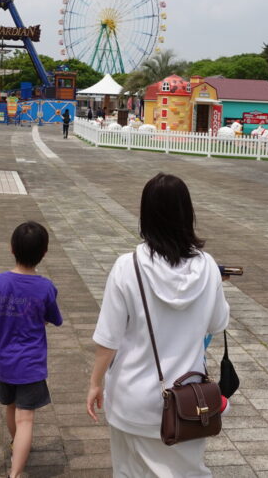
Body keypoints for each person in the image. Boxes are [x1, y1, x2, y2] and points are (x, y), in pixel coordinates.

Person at [87, 173, 229, 477]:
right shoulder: (208, 268)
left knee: (129, 472)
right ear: (187, 214)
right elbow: (218, 323)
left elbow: (108, 340)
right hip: (190, 404)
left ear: (146, 216)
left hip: (131, 400)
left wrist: (95, 383)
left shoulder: (127, 266)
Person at [0, 222, 63, 478]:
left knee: (10, 406)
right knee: (25, 418)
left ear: (11, 248)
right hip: (30, 364)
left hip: (4, 362)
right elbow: (54, 317)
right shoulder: (45, 287)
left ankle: (16, 444)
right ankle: (15, 474)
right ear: (44, 253)